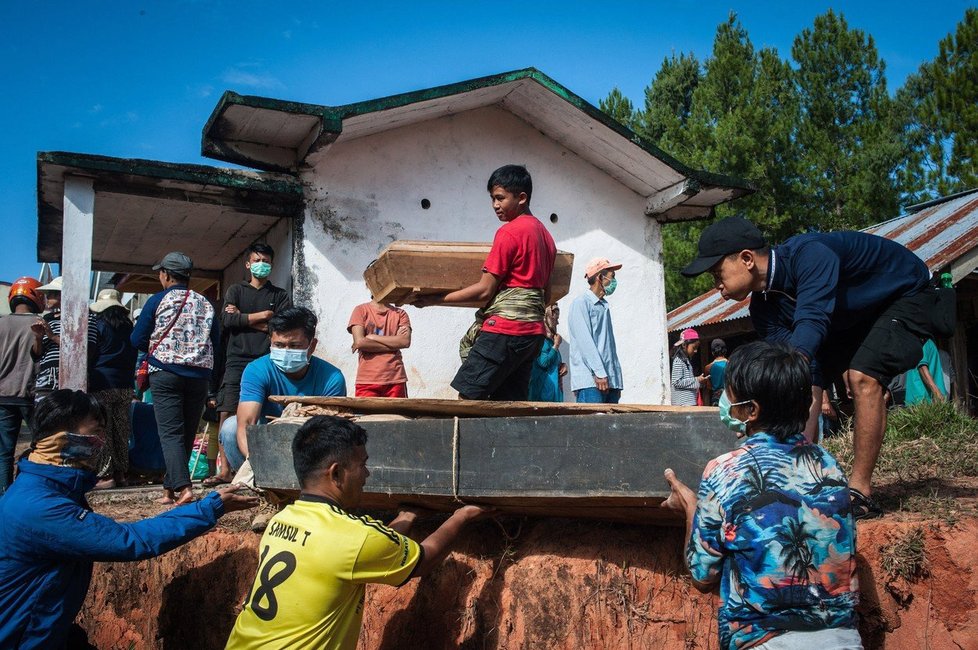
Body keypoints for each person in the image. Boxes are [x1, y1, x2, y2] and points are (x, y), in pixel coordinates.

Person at [682, 215, 948, 519]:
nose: (716, 285)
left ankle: (859, 493)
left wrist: (760, 399)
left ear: (746, 259)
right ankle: (800, 482)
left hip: (906, 293)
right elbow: (804, 373)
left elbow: (811, 324)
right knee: (805, 380)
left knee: (863, 376)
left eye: (718, 272)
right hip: (854, 318)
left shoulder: (810, 255)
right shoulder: (763, 308)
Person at [0, 390, 258, 649]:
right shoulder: (40, 507)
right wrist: (207, 509)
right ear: (59, 441)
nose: (102, 442)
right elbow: (130, 541)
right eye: (95, 433)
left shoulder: (49, 488)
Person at [224, 415, 491, 649]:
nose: (367, 474)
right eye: (362, 464)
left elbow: (361, 547)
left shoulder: (283, 519)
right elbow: (424, 558)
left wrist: (406, 516)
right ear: (337, 473)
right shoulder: (354, 537)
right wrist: (462, 515)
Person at [663, 341, 860, 650]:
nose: (726, 401)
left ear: (751, 411)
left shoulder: (725, 471)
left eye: (731, 395)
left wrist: (690, 506)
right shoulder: (830, 467)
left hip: (763, 641)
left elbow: (702, 576)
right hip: (843, 639)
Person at [416, 165, 557, 401]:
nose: (495, 205)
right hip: (532, 335)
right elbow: (547, 293)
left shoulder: (509, 233)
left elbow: (484, 291)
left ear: (521, 198)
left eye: (500, 198)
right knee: (508, 405)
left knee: (468, 399)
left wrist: (434, 299)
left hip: (505, 330)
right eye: (492, 198)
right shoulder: (546, 237)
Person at [131, 252, 220, 505]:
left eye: (160, 272)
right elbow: (216, 343)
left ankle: (184, 487)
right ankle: (168, 490)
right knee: (187, 433)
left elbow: (136, 339)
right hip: (200, 375)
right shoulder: (205, 303)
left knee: (170, 434)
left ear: (166, 275)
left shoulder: (158, 300)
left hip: (166, 372)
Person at [218, 307, 346, 476]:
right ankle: (255, 485)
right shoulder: (257, 370)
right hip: (266, 442)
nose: (286, 351)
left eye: (294, 346)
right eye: (278, 345)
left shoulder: (332, 377)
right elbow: (246, 424)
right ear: (270, 342)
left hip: (311, 445)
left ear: (312, 346)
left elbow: (331, 433)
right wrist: (256, 464)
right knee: (230, 428)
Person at [212, 243, 291, 485]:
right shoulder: (236, 290)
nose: (261, 265)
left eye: (266, 261)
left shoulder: (280, 295)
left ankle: (257, 464)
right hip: (236, 360)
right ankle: (224, 470)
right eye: (257, 260)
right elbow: (227, 320)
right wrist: (264, 316)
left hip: (267, 360)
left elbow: (281, 328)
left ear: (272, 264)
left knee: (262, 411)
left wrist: (244, 319)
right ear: (248, 264)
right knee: (228, 410)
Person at [89, 289, 138, 488]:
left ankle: (105, 474)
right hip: (125, 384)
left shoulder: (98, 325)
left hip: (102, 383)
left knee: (104, 430)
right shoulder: (130, 327)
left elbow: (91, 352)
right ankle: (121, 474)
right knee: (121, 430)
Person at [0, 277, 45, 495]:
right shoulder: (39, 324)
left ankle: (4, 493)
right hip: (29, 395)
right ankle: (34, 490)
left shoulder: (0, 322)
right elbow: (39, 356)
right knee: (42, 445)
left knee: (4, 451)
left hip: (2, 396)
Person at [32, 276, 97, 403]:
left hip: (72, 373)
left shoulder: (84, 317)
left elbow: (86, 351)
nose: (47, 297)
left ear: (62, 295)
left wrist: (52, 336)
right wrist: (38, 338)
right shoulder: (48, 318)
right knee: (44, 415)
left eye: (50, 294)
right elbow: (36, 355)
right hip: (46, 374)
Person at [568, 258, 623, 403]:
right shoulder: (581, 303)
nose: (614, 281)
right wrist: (599, 373)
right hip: (591, 382)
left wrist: (616, 380)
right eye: (612, 277)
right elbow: (585, 342)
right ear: (600, 277)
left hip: (609, 381)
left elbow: (608, 346)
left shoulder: (603, 305)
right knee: (593, 425)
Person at [347, 298, 411, 397]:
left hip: (395, 378)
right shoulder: (360, 310)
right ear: (368, 285)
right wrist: (394, 344)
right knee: (366, 413)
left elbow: (405, 342)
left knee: (396, 413)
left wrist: (372, 337)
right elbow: (360, 343)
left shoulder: (400, 313)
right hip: (367, 380)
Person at [529, 304, 567, 401]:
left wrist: (562, 365)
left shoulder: (550, 341)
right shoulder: (541, 340)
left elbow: (552, 362)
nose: (557, 322)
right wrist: (556, 345)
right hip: (543, 394)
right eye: (555, 318)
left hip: (552, 393)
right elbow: (543, 362)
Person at [904, 339, 947, 405]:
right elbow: (922, 368)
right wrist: (937, 393)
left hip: (922, 400)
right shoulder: (924, 341)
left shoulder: (922, 341)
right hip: (923, 400)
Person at [671, 328, 705, 406]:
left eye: (697, 348)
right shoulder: (678, 361)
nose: (696, 351)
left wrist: (698, 381)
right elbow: (676, 382)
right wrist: (696, 380)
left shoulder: (686, 361)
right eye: (694, 347)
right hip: (682, 405)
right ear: (684, 345)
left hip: (688, 404)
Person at [704, 338, 728, 406]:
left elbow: (708, 386)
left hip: (716, 398)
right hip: (729, 396)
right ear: (725, 351)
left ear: (712, 352)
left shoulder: (708, 367)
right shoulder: (730, 364)